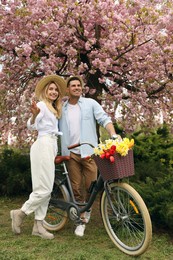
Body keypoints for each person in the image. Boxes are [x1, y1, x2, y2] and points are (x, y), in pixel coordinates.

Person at [59, 76, 119, 237]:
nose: (77, 87)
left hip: (89, 153)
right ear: (67, 89)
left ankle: (87, 212)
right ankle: (81, 220)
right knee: (76, 188)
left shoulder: (90, 104)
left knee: (91, 187)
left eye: (79, 85)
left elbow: (104, 119)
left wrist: (113, 134)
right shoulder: (61, 109)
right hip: (70, 154)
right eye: (73, 85)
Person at [10, 74, 66, 240]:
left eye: (56, 90)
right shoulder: (42, 105)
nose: (54, 92)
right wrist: (34, 115)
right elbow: (31, 125)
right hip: (43, 145)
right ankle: (21, 213)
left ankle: (38, 226)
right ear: (45, 91)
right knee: (45, 189)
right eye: (51, 89)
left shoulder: (55, 109)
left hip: (51, 145)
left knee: (45, 188)